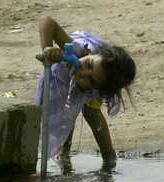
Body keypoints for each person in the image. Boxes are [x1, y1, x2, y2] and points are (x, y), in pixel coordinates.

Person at [35, 16, 136, 167]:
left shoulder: (100, 80)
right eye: (87, 65)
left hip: (102, 74)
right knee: (61, 113)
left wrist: (90, 84)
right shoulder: (77, 50)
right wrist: (47, 47)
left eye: (91, 80)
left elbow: (95, 77)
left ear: (97, 89)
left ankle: (109, 159)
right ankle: (64, 153)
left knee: (92, 113)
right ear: (89, 54)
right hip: (62, 72)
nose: (82, 73)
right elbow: (46, 21)